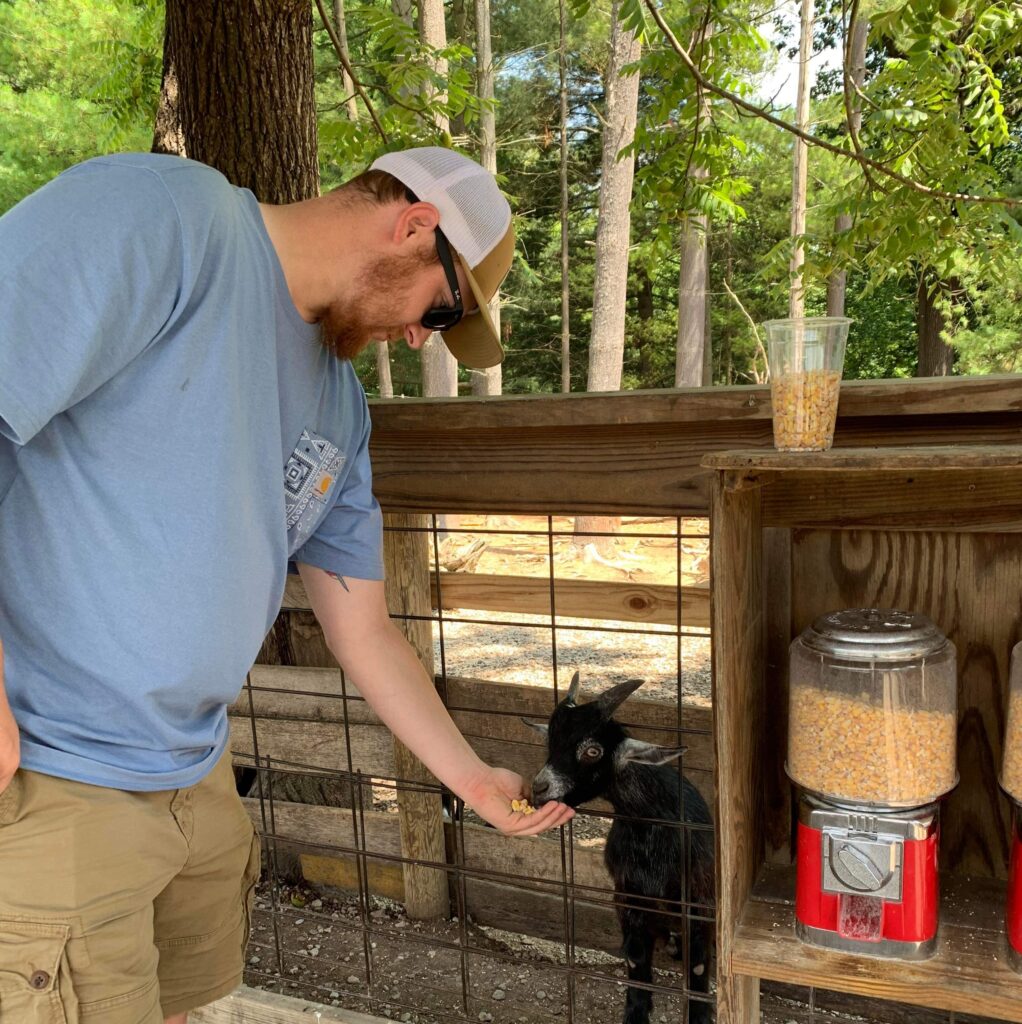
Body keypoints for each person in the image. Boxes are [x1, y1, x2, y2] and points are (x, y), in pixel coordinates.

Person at [0, 147, 574, 1024]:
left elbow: (364, 628)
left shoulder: (339, 406)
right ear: (415, 225)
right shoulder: (168, 217)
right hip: (49, 771)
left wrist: (469, 779)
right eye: (444, 307)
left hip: (194, 775)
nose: (424, 336)